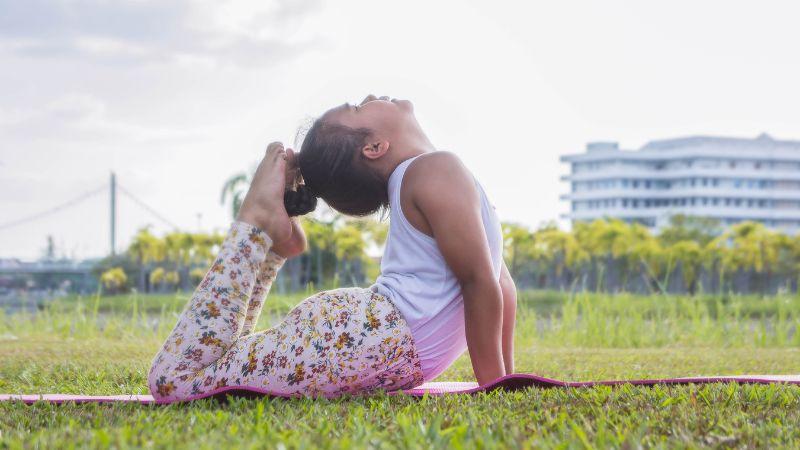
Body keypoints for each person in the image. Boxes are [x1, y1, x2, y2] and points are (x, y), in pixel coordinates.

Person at [148, 95, 518, 401]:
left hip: (368, 341)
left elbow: (497, 280)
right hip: (361, 336)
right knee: (177, 380)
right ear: (374, 147)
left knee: (217, 370)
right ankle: (257, 222)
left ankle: (271, 242)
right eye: (359, 107)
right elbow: (478, 280)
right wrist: (495, 387)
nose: (372, 96)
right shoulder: (434, 170)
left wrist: (505, 380)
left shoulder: (438, 173)